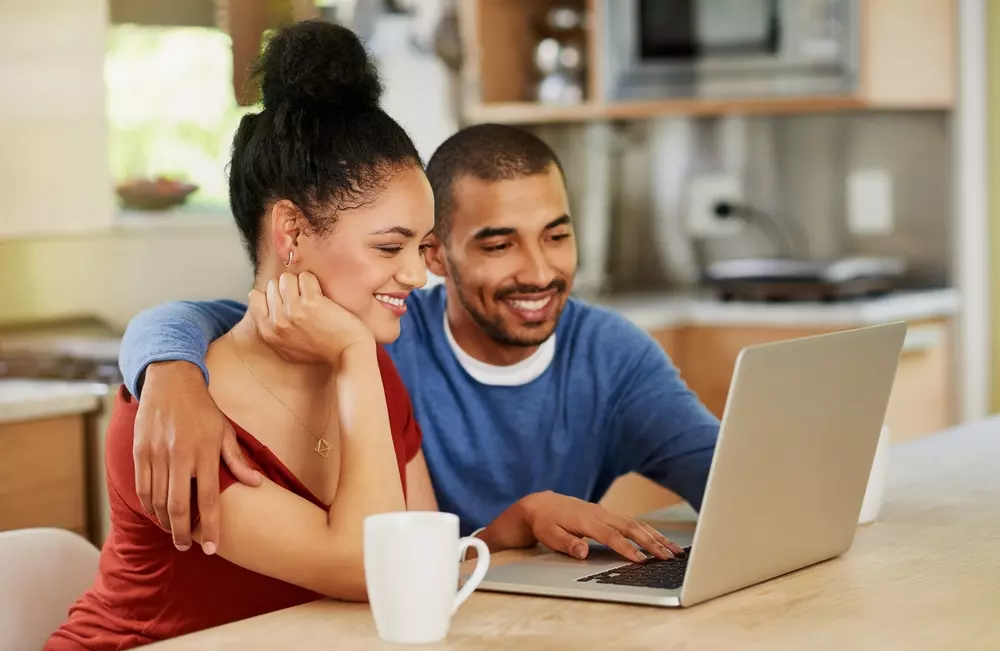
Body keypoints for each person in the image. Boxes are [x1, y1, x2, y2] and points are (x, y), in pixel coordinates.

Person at [118, 124, 718, 566]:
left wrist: (516, 525)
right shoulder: (377, 336)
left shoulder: (611, 354)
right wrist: (168, 369)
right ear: (439, 254)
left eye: (557, 236)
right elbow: (218, 316)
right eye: (498, 244)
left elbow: (729, 476)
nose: (538, 271)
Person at [41, 21, 443, 651]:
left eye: (423, 247)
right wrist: (353, 360)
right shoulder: (174, 422)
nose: (418, 274)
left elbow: (421, 569)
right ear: (290, 229)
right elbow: (370, 572)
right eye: (390, 246)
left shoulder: (369, 374)